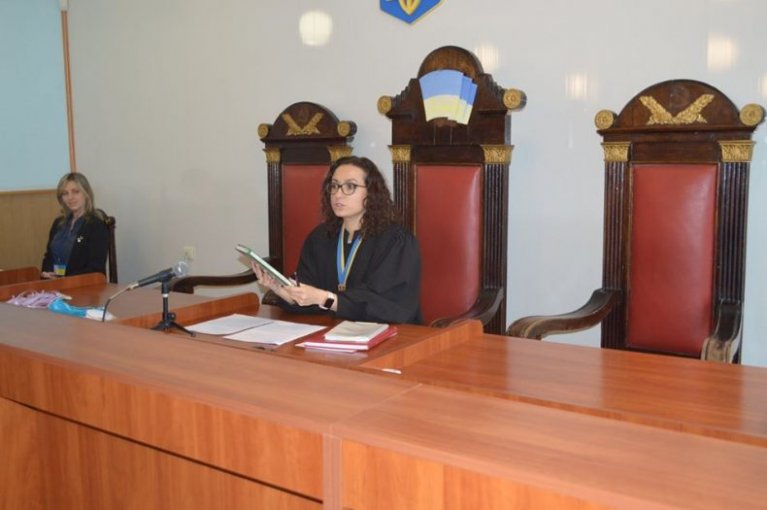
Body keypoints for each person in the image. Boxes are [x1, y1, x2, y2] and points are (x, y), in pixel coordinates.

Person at [253, 156, 422, 324]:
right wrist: (281, 290)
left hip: (390, 334)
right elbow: (308, 294)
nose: (338, 195)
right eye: (334, 186)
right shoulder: (320, 237)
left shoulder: (395, 241)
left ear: (371, 193)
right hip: (333, 331)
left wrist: (326, 299)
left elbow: (389, 306)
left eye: (350, 186)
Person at [41, 172, 109, 279]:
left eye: (75, 192)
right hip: (54, 283)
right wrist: (46, 273)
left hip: (83, 285)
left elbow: (96, 268)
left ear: (86, 193)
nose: (70, 197)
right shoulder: (58, 223)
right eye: (65, 193)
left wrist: (66, 279)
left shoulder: (96, 225)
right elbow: (48, 256)